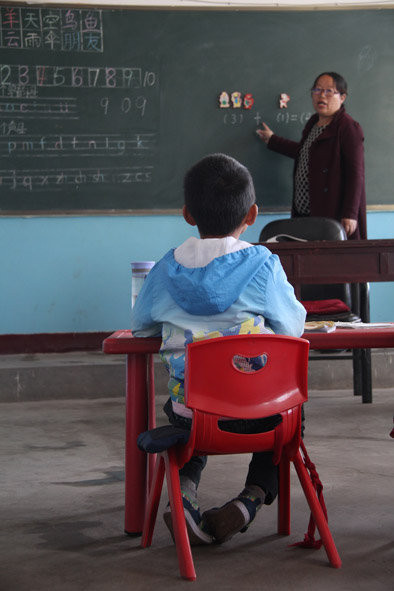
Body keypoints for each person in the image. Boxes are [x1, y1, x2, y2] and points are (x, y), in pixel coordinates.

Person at [131, 153, 306, 546]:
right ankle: (249, 501)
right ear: (253, 214)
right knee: (288, 410)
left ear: (187, 214)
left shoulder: (164, 269)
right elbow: (293, 326)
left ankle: (186, 495)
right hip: (260, 419)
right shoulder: (263, 264)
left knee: (190, 403)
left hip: (193, 420)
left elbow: (140, 324)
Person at [256, 72, 367, 239]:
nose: (321, 95)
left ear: (342, 97)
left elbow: (356, 174)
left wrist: (350, 213)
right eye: (317, 90)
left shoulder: (348, 128)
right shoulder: (314, 123)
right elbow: (304, 152)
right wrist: (273, 140)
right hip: (306, 212)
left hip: (332, 212)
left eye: (329, 91)